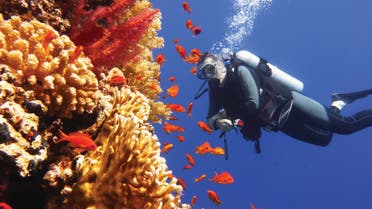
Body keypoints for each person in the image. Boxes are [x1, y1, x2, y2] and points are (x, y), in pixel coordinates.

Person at [196, 50, 372, 153]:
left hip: (292, 105)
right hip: (279, 123)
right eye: (204, 74)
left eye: (210, 69)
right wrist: (219, 122)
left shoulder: (240, 71)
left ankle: (340, 105)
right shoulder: (215, 91)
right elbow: (210, 119)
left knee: (346, 127)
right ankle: (337, 103)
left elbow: (253, 103)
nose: (209, 76)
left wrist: (236, 119)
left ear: (219, 63)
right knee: (325, 139)